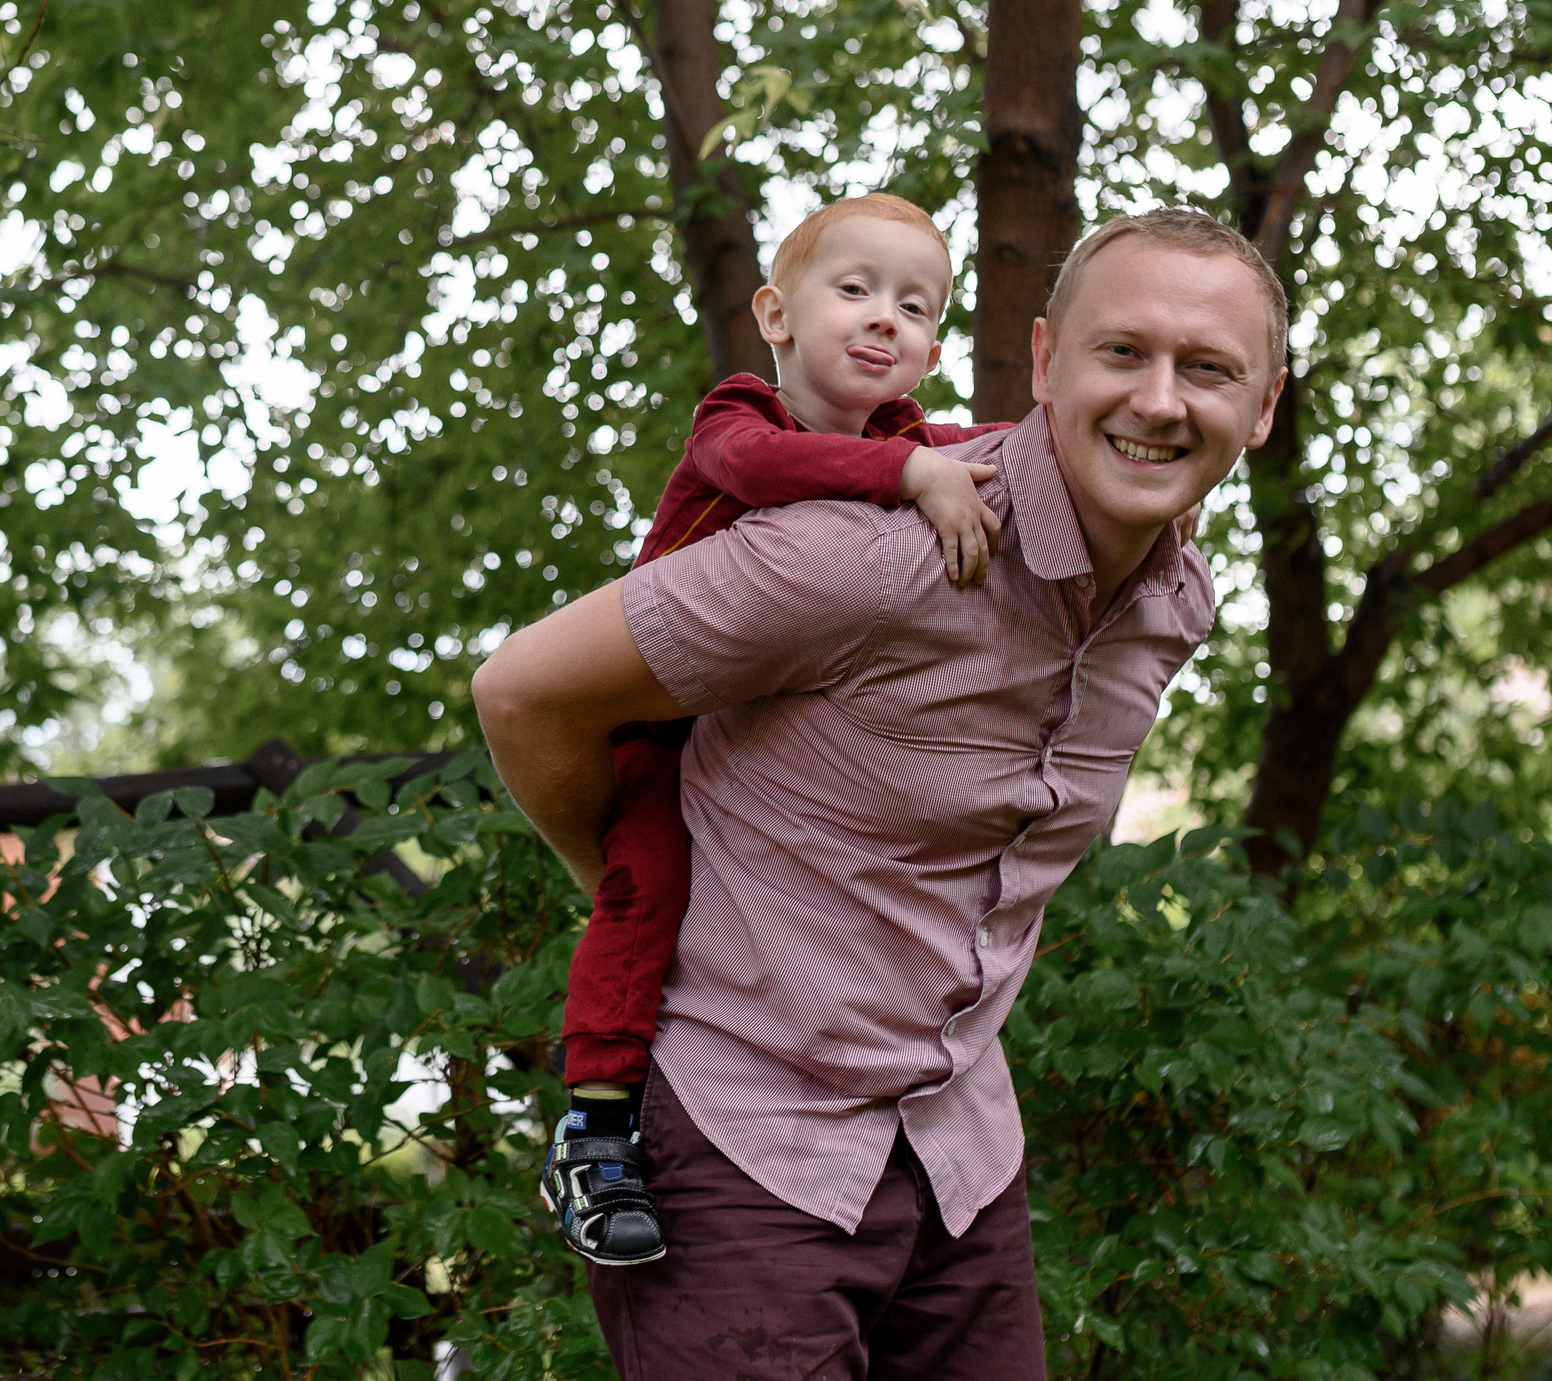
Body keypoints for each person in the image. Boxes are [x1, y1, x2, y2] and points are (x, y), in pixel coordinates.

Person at [473, 207, 1288, 1378]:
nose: (1161, 401)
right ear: (1046, 362)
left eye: (1207, 369)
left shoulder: (1173, 605)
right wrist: (637, 898)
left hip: (960, 1155)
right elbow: (522, 695)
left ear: (1259, 407)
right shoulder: (860, 557)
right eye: (1123, 353)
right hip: (745, 1149)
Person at [545, 193, 1014, 1266]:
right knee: (647, 886)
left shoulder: (910, 438)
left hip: (770, 743)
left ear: (931, 348)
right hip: (661, 724)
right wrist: (910, 474)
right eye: (853, 290)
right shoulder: (740, 417)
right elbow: (765, 477)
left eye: (912, 305)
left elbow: (997, 450)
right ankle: (597, 1126)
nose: (882, 318)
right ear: (777, 312)